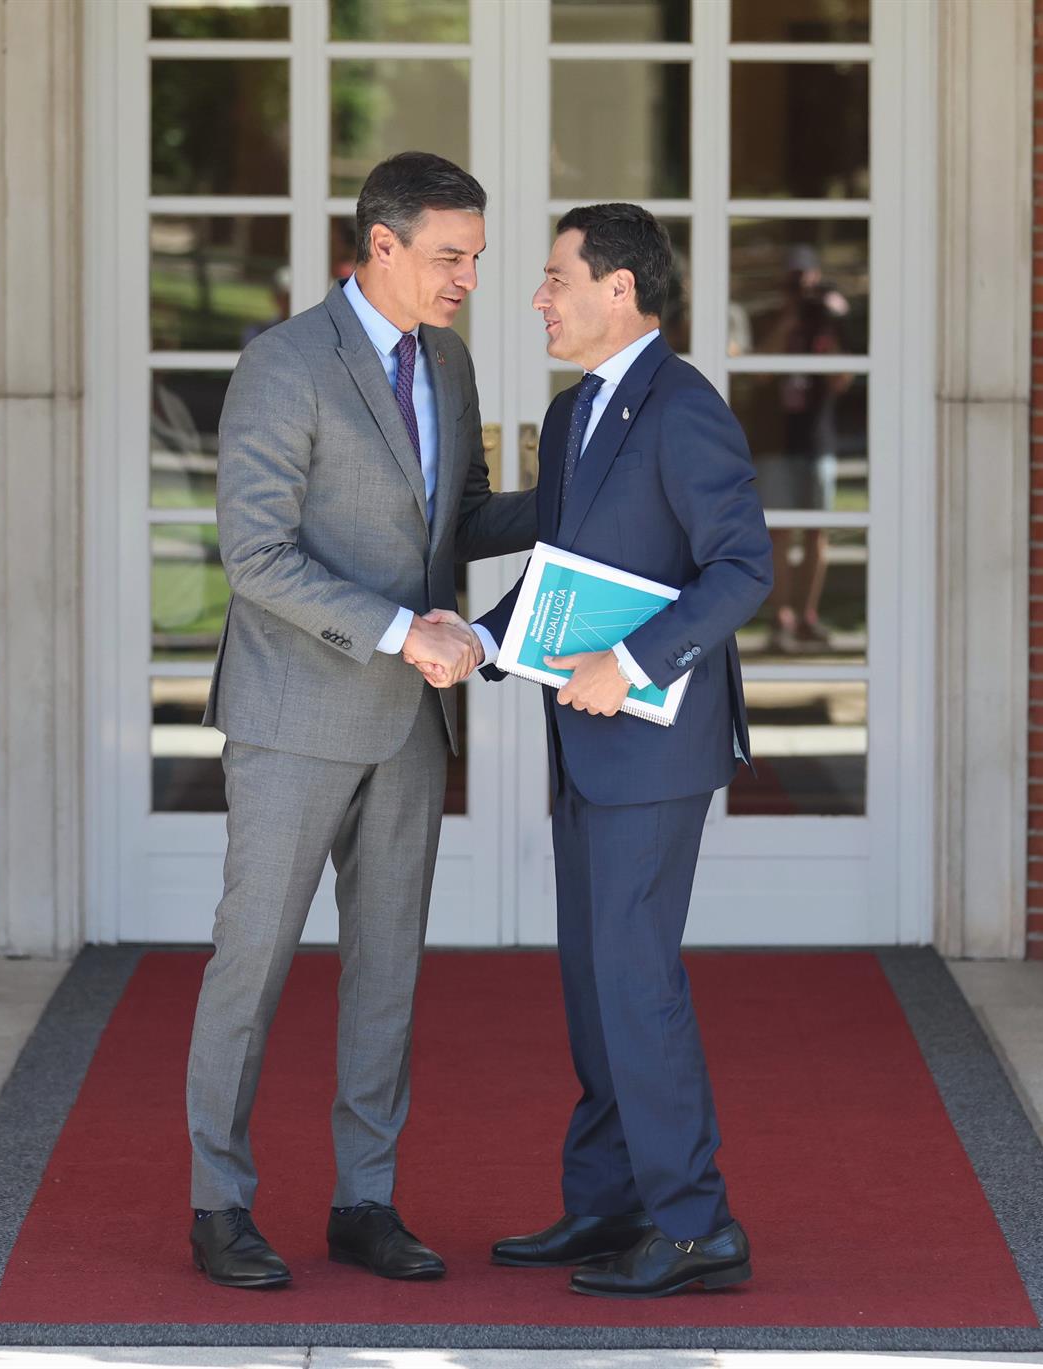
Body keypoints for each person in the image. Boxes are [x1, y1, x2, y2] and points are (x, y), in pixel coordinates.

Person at [187, 151, 536, 1290]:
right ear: (380, 246)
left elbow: (464, 517)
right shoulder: (283, 363)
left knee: (387, 972)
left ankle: (364, 1201)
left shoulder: (451, 360)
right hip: (295, 714)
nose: (467, 279)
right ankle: (219, 1204)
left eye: (477, 259)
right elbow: (255, 554)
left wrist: (590, 486)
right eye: (449, 257)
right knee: (255, 963)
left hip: (409, 729)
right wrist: (402, 630)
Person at [442, 203, 773, 1298]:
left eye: (554, 278)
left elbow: (741, 571)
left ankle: (695, 1226)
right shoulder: (574, 408)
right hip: (585, 745)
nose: (537, 297)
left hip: (654, 748)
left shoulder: (685, 411)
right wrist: (482, 637)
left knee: (637, 981)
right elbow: (563, 565)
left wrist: (630, 664)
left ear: (619, 290)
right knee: (594, 983)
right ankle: (609, 1204)